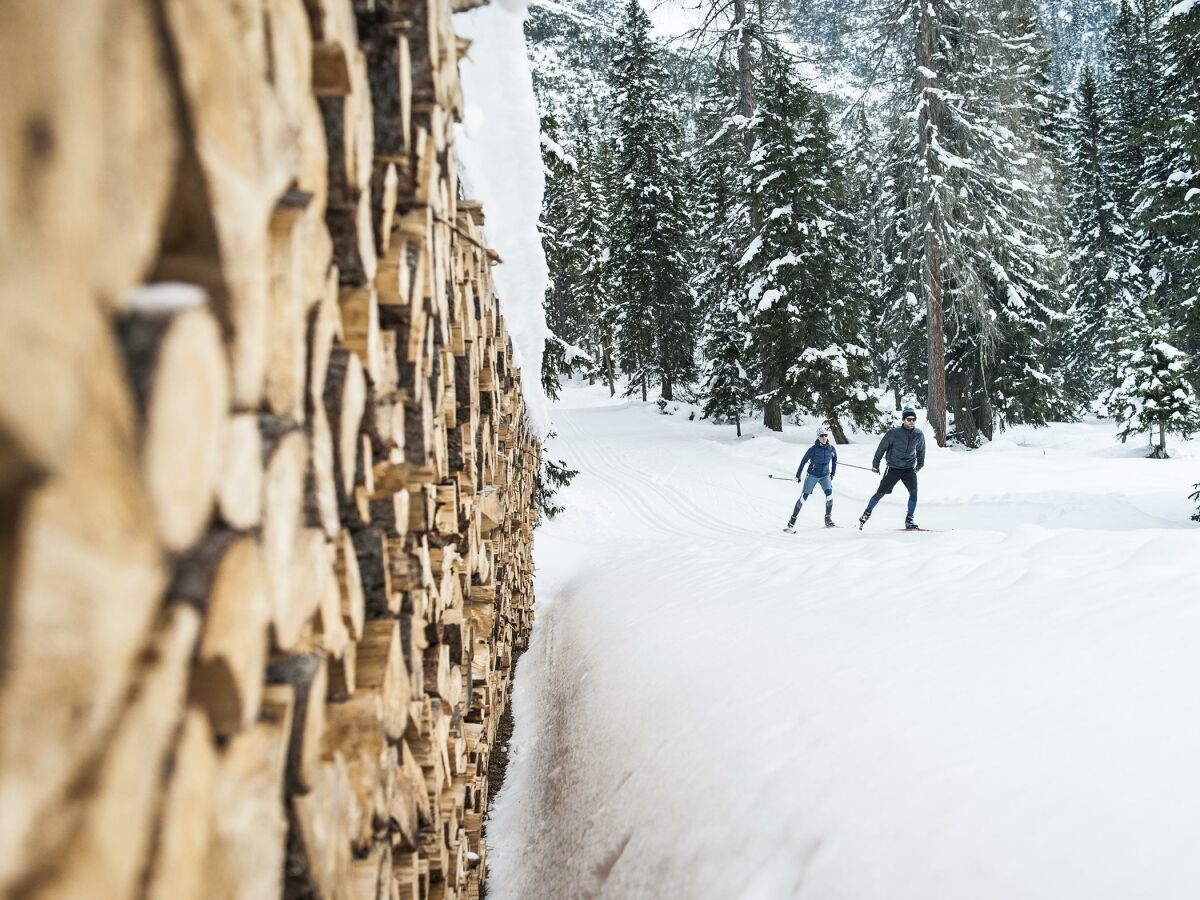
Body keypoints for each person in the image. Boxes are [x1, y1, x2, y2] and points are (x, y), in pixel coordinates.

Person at [859, 407, 926, 530]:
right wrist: (875, 464)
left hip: (909, 468)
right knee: (881, 492)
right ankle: (866, 513)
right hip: (893, 467)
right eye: (909, 419)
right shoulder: (893, 433)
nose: (911, 422)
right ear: (903, 420)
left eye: (913, 420)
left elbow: (921, 450)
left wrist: (920, 464)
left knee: (914, 492)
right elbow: (881, 448)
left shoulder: (918, 434)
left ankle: (909, 519)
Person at [784, 426, 837, 531]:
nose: (824, 437)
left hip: (825, 475)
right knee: (803, 498)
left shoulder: (831, 448)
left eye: (825, 435)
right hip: (812, 475)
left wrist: (833, 473)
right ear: (818, 437)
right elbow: (803, 461)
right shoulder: (813, 450)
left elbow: (835, 460)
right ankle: (792, 522)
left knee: (829, 496)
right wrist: (798, 475)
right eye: (821, 436)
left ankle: (828, 519)